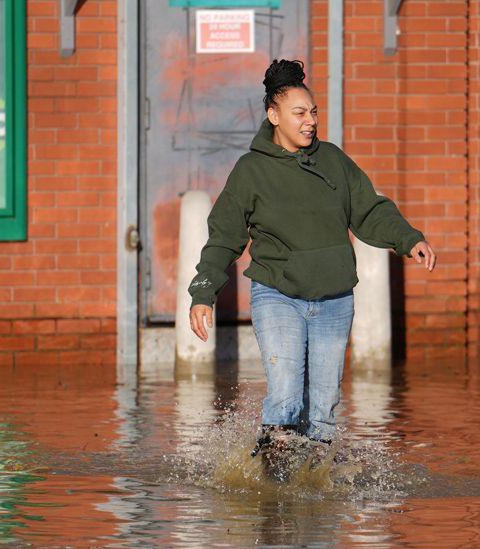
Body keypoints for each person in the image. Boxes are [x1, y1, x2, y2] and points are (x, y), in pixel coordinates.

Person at [187, 59, 436, 455]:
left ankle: (313, 493)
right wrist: (204, 292)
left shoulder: (333, 160)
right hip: (278, 295)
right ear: (274, 115)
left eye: (314, 112)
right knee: (285, 395)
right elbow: (224, 237)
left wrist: (408, 238)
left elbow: (369, 209)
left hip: (334, 299)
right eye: (299, 113)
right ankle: (273, 494)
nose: (310, 121)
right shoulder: (251, 170)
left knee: (322, 410)